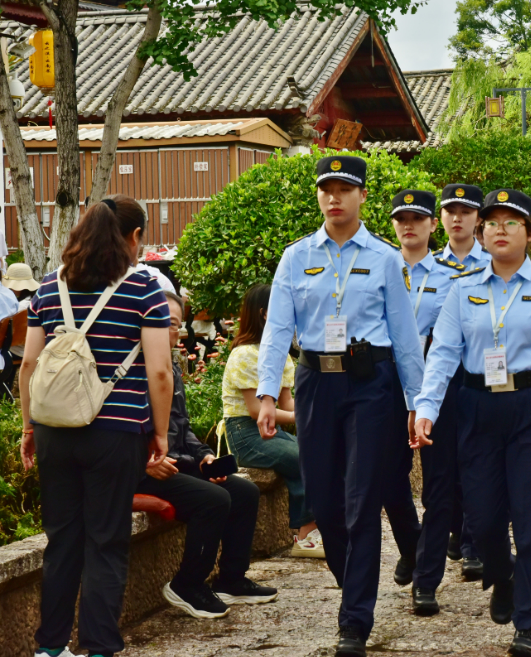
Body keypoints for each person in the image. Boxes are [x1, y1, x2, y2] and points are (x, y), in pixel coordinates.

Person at [412, 188, 531, 657]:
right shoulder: (463, 290)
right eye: (491, 222)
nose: (499, 229)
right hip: (478, 408)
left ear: (528, 234)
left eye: (510, 222)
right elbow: (443, 353)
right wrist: (427, 408)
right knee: (482, 518)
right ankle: (504, 573)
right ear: (481, 232)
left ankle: (529, 621)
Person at [256, 156, 425, 657]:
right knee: (325, 503)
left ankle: (354, 620)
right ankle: (354, 585)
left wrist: (416, 403)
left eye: (344, 189)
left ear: (362, 196)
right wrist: (266, 393)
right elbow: (276, 330)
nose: (334, 197)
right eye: (326, 189)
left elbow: (405, 336)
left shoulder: (385, 258)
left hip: (371, 383)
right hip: (315, 383)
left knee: (361, 501)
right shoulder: (296, 257)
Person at [19, 195, 173, 657]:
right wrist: (160, 433)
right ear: (134, 237)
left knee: (62, 540)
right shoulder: (143, 288)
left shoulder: (49, 287)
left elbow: (28, 364)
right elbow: (160, 372)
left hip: (53, 430)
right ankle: (99, 647)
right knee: (106, 540)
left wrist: (28, 428)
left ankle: (50, 647)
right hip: (116, 432)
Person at [140, 291, 278, 619]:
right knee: (214, 499)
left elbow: (182, 427)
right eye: (165, 323)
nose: (173, 332)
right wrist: (146, 461)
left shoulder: (170, 367)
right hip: (145, 468)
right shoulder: (135, 369)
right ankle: (187, 584)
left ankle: (231, 579)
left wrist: (204, 456)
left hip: (178, 463)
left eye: (176, 325)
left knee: (244, 491)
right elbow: (123, 429)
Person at [387, 189, 468, 616]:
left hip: (437, 386)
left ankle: (426, 579)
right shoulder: (381, 269)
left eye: (417, 218)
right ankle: (412, 547)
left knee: (438, 485)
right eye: (401, 218)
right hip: (384, 384)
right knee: (388, 476)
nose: (409, 226)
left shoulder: (450, 277)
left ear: (431, 225)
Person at [220, 284, 321, 558]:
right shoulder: (244, 355)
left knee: (317, 452)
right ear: (265, 313)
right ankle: (307, 537)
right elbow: (257, 411)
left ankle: (316, 528)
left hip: (271, 431)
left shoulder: (281, 353)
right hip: (245, 435)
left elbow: (287, 404)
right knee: (303, 456)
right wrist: (305, 416)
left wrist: (315, 412)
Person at [436, 183, 489, 577]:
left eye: (466, 212)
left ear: (478, 219)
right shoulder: (427, 266)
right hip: (440, 374)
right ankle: (456, 528)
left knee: (477, 459)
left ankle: (474, 542)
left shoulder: (493, 264)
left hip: (483, 373)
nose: (457, 219)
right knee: (445, 462)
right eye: (450, 211)